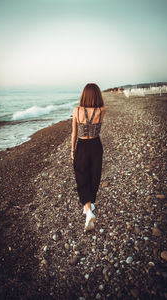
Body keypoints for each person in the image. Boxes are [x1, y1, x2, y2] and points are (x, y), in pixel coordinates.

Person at [71, 83, 106, 231]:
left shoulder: (76, 110)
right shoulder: (102, 110)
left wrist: (72, 150)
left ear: (84, 95)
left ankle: (88, 209)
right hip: (96, 145)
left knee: (81, 176)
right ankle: (89, 206)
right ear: (97, 95)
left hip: (82, 145)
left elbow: (74, 133)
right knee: (94, 176)